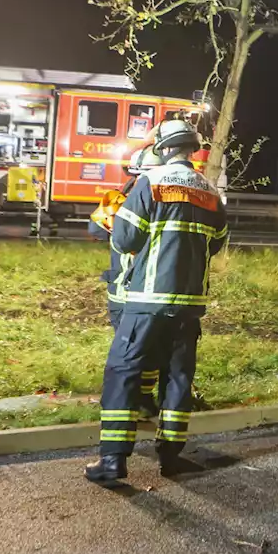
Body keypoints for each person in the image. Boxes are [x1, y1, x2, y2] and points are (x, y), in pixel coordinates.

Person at [85, 119, 228, 484]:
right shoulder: (211, 193)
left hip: (147, 302)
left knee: (124, 372)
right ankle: (171, 456)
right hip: (189, 306)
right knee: (177, 377)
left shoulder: (151, 182)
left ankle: (114, 461)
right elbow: (216, 244)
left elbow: (125, 239)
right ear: (191, 149)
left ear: (163, 149)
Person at [89, 147, 165, 415]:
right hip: (138, 293)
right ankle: (133, 400)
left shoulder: (118, 201)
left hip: (125, 293)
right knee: (144, 351)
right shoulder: (154, 204)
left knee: (135, 351)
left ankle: (135, 399)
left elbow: (94, 229)